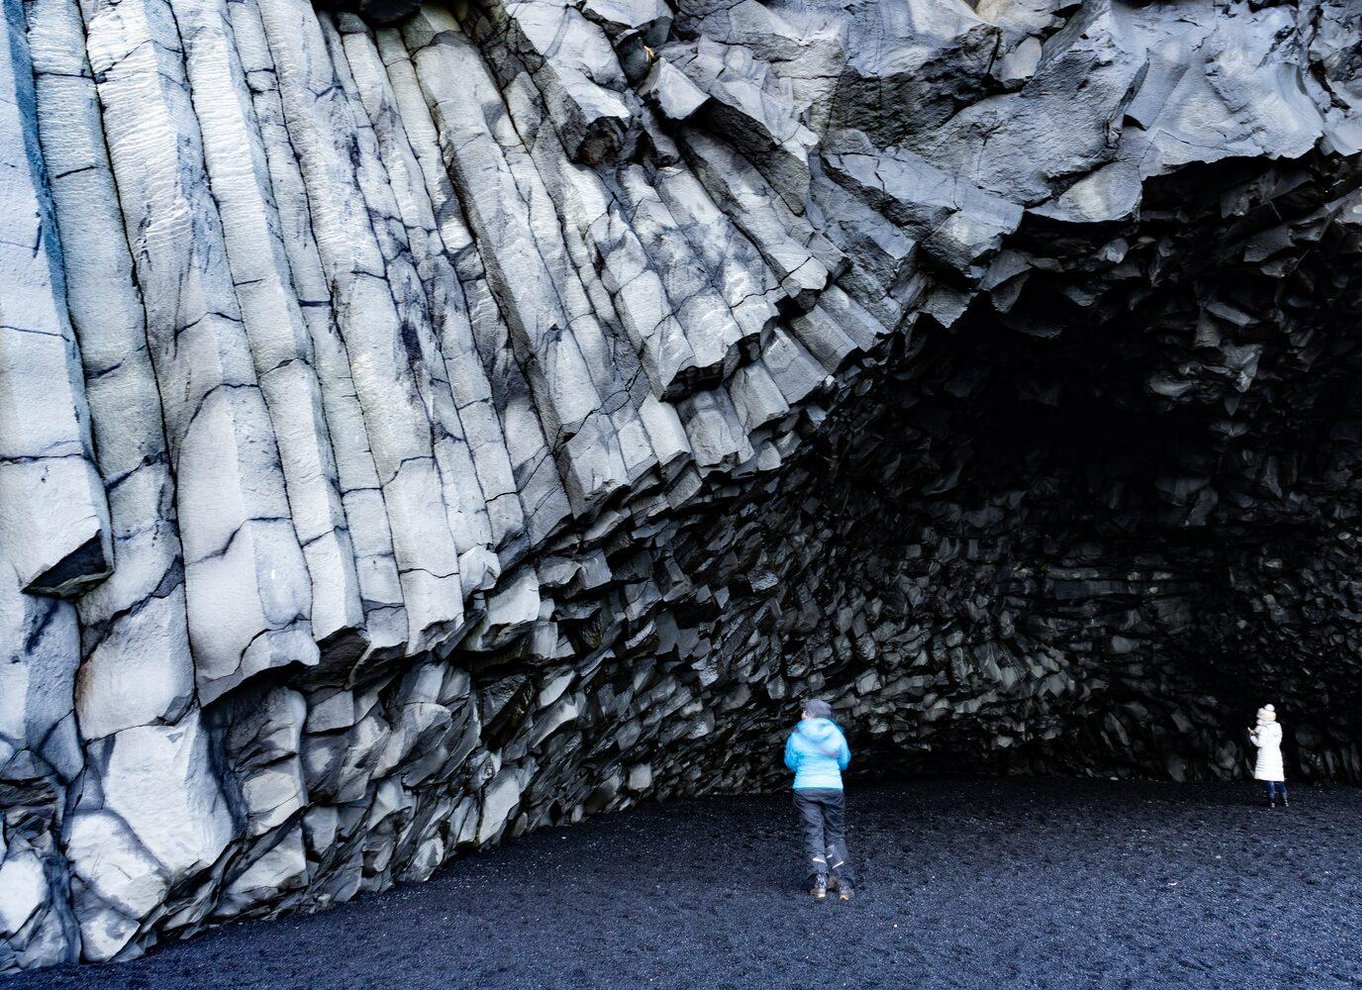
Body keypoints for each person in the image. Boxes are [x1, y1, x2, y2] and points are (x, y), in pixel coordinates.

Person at [784, 699, 854, 901]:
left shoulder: (797, 734)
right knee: (835, 834)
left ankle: (820, 881)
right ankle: (843, 885)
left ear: (810, 714)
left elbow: (790, 762)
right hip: (832, 787)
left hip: (805, 788)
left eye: (804, 711)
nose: (802, 714)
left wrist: (807, 766)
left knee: (813, 833)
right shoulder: (835, 733)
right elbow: (844, 761)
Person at [1248, 704, 1288, 808]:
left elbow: (1260, 743)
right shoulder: (1277, 727)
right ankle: (1284, 801)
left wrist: (1252, 736)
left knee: (1268, 777)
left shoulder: (1264, 729)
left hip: (1266, 754)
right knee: (1278, 777)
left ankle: (1271, 801)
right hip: (1276, 753)